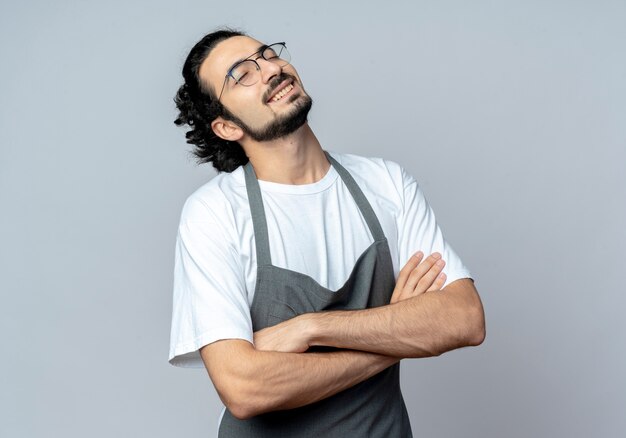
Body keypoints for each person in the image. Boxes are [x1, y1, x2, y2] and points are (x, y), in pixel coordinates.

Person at [168, 28, 485, 437]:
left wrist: (310, 328)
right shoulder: (215, 213)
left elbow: (464, 319)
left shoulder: (386, 184)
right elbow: (244, 388)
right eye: (242, 74)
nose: (269, 69)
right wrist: (394, 333)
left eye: (267, 55)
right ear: (227, 127)